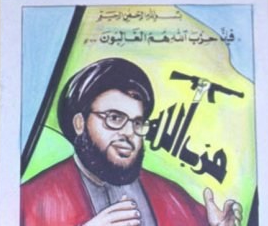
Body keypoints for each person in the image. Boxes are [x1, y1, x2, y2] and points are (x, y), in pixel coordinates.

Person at [21, 58, 242, 226]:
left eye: (137, 123)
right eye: (115, 118)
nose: (129, 133)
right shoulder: (31, 200)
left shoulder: (171, 196)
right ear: (80, 123)